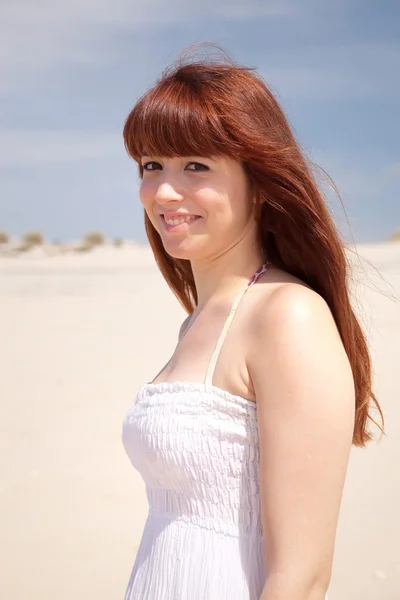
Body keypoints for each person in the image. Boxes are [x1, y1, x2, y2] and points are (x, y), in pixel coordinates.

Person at [121, 47, 384, 600]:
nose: (165, 191)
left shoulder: (287, 316)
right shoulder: (197, 321)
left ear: (260, 181)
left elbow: (302, 577)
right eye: (152, 165)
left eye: (196, 166)